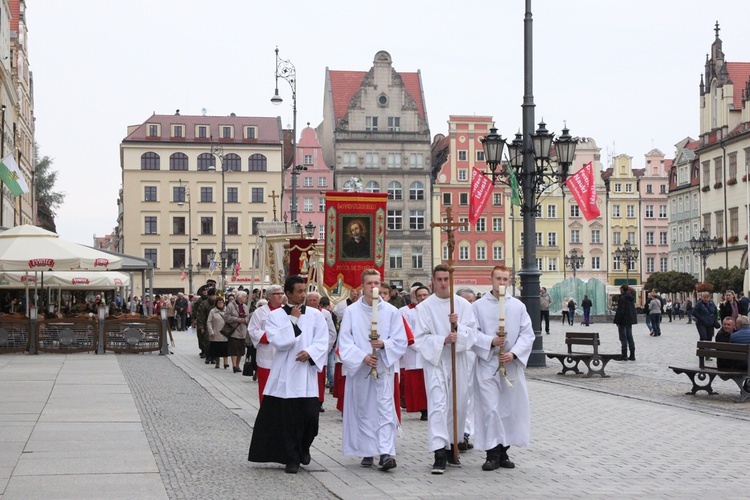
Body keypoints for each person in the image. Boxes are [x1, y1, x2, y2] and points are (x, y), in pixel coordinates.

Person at [248, 275, 329, 474]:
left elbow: (322, 339)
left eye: (305, 290)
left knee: (310, 418)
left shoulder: (316, 315)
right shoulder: (275, 316)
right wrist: (293, 319)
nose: (303, 295)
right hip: (285, 374)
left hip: (306, 373)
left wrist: (310, 352)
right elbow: (279, 341)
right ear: (288, 294)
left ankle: (304, 448)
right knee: (289, 420)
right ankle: (292, 458)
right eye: (299, 291)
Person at [338, 269, 407, 471]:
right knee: (364, 410)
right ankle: (367, 451)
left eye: (377, 283)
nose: (374, 287)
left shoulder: (392, 312)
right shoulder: (351, 312)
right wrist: (363, 357)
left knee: (385, 410)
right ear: (363, 286)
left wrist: (384, 345)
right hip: (361, 369)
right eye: (369, 283)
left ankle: (386, 453)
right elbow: (345, 341)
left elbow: (400, 340)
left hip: (383, 368)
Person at [414, 264, 477, 474]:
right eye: (439, 279)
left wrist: (458, 328)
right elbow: (420, 338)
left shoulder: (462, 305)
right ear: (433, 281)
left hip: (457, 361)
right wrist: (443, 340)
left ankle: (452, 445)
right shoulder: (424, 307)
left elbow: (473, 334)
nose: (442, 283)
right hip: (437, 362)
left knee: (457, 405)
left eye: (446, 279)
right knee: (439, 404)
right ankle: (439, 452)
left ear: (451, 280)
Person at [471, 266, 534, 470]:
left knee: (508, 409)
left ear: (509, 281)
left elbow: (527, 334)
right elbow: (472, 333)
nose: (501, 283)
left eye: (505, 279)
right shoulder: (479, 306)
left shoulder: (517, 306)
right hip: (488, 363)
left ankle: (504, 450)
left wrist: (514, 353)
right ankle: (492, 452)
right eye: (498, 278)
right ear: (491, 279)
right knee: (490, 408)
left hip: (510, 364)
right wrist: (491, 341)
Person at [248, 287, 284, 401]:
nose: (280, 296)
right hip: (267, 355)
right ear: (269, 296)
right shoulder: (260, 312)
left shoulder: (287, 311)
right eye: (276, 294)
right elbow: (253, 330)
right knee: (266, 387)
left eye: (281, 293)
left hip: (283, 354)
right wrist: (271, 337)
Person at [400, 285, 429, 421]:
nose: (423, 298)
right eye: (420, 295)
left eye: (425, 295)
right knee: (418, 385)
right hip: (416, 352)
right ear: (415, 297)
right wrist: (422, 346)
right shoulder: (406, 312)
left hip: (432, 351)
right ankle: (423, 410)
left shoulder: (433, 310)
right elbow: (408, 332)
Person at [306, 291, 337, 412]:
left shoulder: (326, 314)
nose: (312, 302)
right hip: (306, 352)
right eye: (310, 300)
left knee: (320, 378)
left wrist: (325, 348)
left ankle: (319, 401)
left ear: (319, 301)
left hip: (320, 352)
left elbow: (332, 333)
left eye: (315, 300)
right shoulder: (302, 312)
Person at [224, 290, 251, 373]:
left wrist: (245, 320)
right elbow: (226, 317)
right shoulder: (231, 306)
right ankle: (234, 365)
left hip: (243, 330)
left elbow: (248, 316)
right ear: (239, 297)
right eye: (244, 297)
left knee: (240, 350)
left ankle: (238, 365)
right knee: (234, 349)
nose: (245, 298)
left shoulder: (245, 306)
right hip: (234, 329)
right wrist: (236, 319)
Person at [613, 284, 637, 361]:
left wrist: (617, 320)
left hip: (623, 320)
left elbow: (621, 310)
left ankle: (624, 355)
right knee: (630, 337)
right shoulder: (630, 298)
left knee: (623, 338)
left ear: (622, 289)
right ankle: (632, 355)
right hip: (629, 320)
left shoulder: (622, 298)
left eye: (620, 289)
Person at [206, 296, 230, 369]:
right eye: (219, 302)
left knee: (225, 348)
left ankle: (226, 362)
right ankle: (217, 362)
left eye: (221, 302)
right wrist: (211, 331)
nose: (220, 304)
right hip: (216, 332)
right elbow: (209, 322)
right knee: (216, 348)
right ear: (216, 303)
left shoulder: (227, 310)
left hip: (225, 332)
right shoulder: (213, 311)